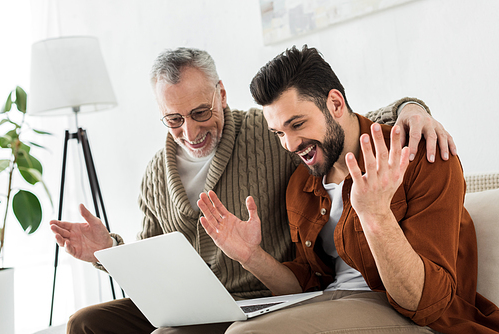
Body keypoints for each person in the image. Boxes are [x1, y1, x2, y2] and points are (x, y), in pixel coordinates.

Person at [50, 47, 455, 334]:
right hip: (211, 302)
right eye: (173, 120)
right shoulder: (160, 173)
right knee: (85, 323)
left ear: (221, 96)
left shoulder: (270, 135)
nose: (189, 133)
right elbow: (153, 257)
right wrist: (109, 251)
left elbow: (352, 121)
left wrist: (412, 108)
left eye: (200, 113)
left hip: (262, 301)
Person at [196, 45, 499, 334]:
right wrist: (250, 256)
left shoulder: (420, 155)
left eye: (298, 124)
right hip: (330, 304)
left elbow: (426, 304)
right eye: (279, 133)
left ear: (336, 104)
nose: (289, 144)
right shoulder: (302, 184)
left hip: (411, 315)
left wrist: (376, 215)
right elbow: (309, 284)